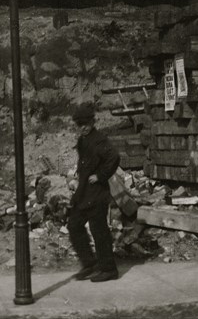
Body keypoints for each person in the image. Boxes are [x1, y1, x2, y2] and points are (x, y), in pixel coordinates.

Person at [67, 102, 120, 282]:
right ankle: (89, 264)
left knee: (99, 231)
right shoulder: (83, 140)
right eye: (79, 125)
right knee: (74, 225)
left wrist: (100, 176)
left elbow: (114, 158)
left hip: (97, 193)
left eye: (85, 124)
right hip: (83, 192)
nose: (82, 128)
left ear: (92, 122)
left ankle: (109, 269)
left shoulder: (99, 140)